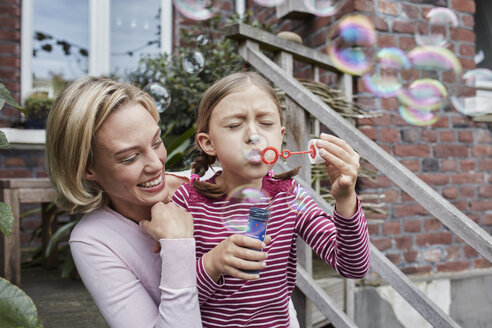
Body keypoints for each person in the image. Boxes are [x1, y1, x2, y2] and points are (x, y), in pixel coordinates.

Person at [45, 76, 300, 328]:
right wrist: (178, 246)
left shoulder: (218, 184)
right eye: (130, 157)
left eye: (156, 142)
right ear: (87, 169)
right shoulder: (94, 240)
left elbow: (270, 292)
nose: (156, 165)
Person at [172, 71, 371, 327]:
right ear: (208, 143)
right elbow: (174, 301)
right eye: (234, 125)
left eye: (266, 123)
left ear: (280, 136)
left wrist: (345, 199)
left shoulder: (289, 197)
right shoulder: (187, 203)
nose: (254, 136)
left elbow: (353, 267)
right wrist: (213, 263)